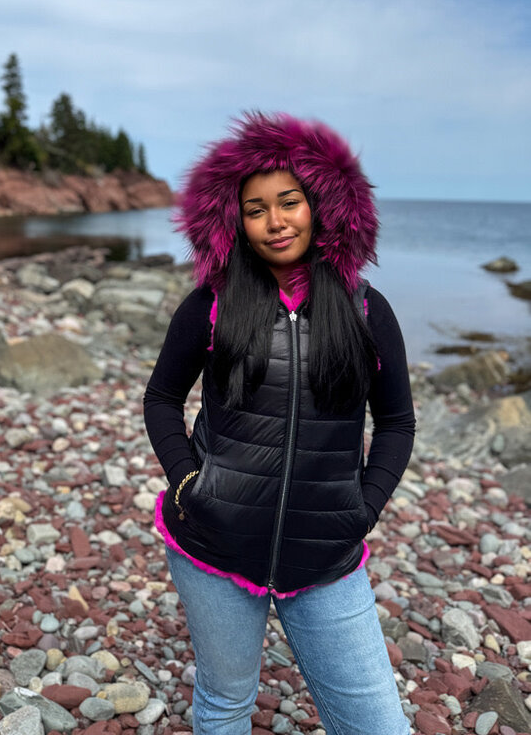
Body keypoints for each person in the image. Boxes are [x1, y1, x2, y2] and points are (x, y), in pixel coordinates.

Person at [143, 112, 415, 735]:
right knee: (225, 704)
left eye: (289, 202)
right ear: (234, 221)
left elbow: (397, 422)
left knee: (378, 723)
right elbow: (162, 398)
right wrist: (190, 483)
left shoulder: (368, 310)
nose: (276, 221)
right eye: (256, 208)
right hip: (213, 546)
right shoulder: (211, 304)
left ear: (321, 206)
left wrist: (364, 508)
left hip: (328, 558)